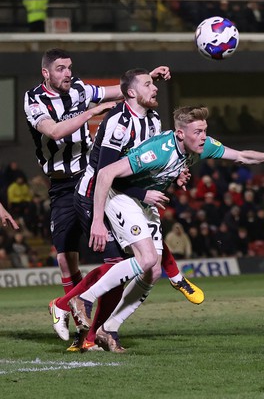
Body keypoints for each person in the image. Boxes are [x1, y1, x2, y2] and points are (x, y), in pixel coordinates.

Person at [68, 106, 264, 352]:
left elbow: (240, 156)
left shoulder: (203, 145)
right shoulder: (157, 151)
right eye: (197, 132)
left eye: (205, 131)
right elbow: (106, 173)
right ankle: (84, 298)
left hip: (146, 201)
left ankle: (109, 329)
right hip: (122, 197)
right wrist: (98, 220)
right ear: (179, 134)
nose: (203, 137)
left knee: (153, 272)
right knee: (147, 259)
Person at [24, 48, 170, 351]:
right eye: (61, 69)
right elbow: (52, 131)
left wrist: (147, 79)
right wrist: (91, 112)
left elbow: (114, 90)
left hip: (92, 178)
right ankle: (78, 320)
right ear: (46, 73)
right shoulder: (34, 99)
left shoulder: (78, 88)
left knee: (118, 259)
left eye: (70, 67)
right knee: (66, 261)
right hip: (62, 185)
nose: (68, 73)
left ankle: (88, 328)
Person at [50, 68, 204, 352]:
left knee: (133, 268)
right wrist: (97, 220)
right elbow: (104, 174)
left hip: (124, 196)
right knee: (118, 267)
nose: (155, 88)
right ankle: (78, 320)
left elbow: (149, 166)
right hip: (94, 196)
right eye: (148, 84)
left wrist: (175, 173)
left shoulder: (154, 120)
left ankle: (89, 327)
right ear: (132, 92)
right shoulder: (117, 123)